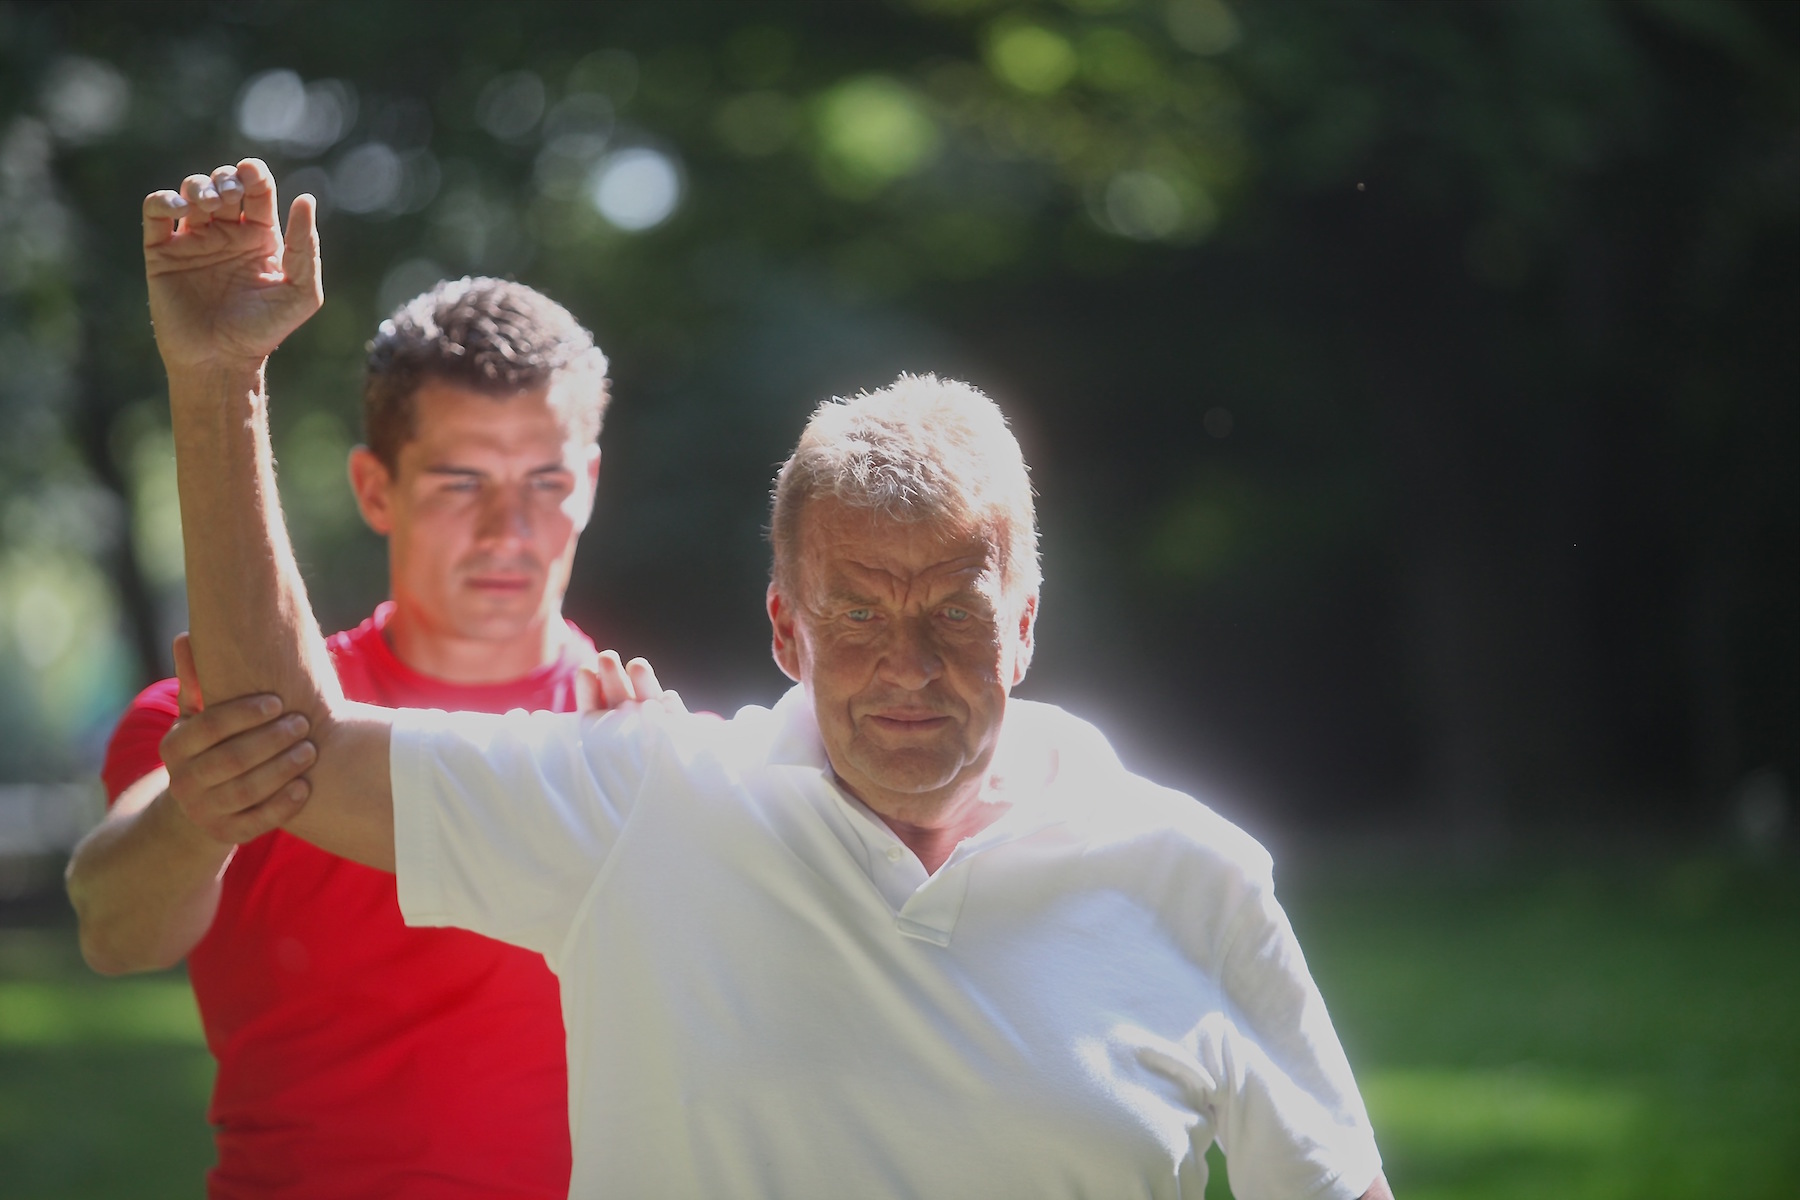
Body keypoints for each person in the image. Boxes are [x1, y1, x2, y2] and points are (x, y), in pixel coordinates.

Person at [147, 158, 1396, 1199]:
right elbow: (285, 746)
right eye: (854, 614)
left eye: (953, 617)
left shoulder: (1198, 881)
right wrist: (218, 382)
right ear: (785, 633)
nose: (907, 667)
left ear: (1022, 623)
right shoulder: (643, 800)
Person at [67, 237, 664, 1196]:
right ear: (375, 490)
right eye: (461, 482)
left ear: (587, 485)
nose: (508, 530)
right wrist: (197, 813)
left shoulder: (641, 737)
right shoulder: (227, 716)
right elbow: (112, 928)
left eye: (545, 483)